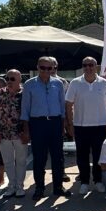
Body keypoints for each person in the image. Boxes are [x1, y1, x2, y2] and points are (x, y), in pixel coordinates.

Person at [21, 57, 69, 200]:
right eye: (43, 68)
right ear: (37, 67)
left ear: (53, 68)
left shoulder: (58, 84)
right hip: (38, 124)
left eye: (49, 68)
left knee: (58, 157)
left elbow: (62, 106)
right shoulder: (29, 84)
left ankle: (58, 187)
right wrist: (26, 130)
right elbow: (25, 109)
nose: (46, 71)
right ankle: (39, 188)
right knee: (39, 158)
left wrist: (63, 126)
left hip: (55, 122)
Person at [66, 57, 106, 195]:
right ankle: (84, 182)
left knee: (99, 156)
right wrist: (70, 124)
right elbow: (68, 104)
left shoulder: (104, 83)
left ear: (96, 66)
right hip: (80, 126)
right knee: (82, 156)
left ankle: (98, 181)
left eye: (91, 65)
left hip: (100, 126)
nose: (88, 67)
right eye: (85, 65)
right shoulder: (75, 83)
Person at [0, 70, 28, 199]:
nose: (9, 81)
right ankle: (11, 186)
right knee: (8, 161)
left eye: (12, 79)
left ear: (19, 80)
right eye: (7, 78)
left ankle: (19, 186)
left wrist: (27, 132)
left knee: (21, 161)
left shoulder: (25, 94)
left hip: (20, 133)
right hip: (4, 133)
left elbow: (29, 114)